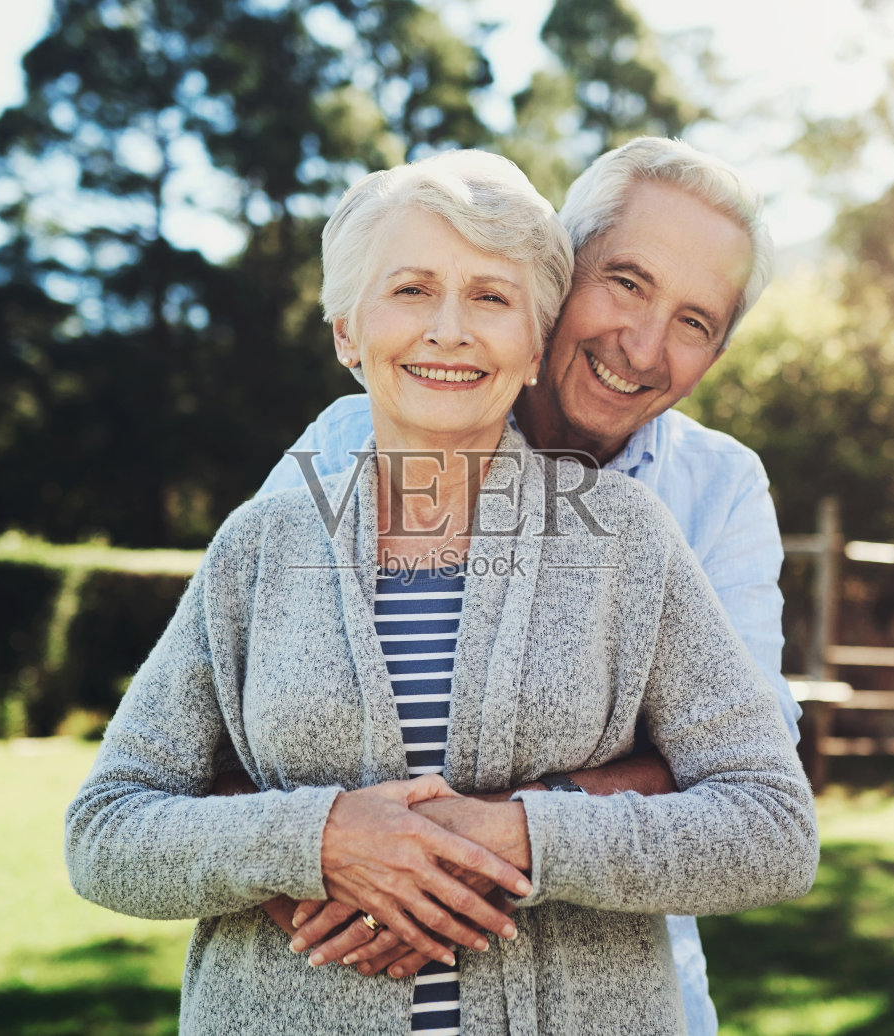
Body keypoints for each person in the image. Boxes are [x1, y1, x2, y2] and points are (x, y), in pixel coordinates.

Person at [65, 149, 817, 1035]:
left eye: (491, 297)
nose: (449, 331)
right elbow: (118, 819)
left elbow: (763, 808)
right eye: (412, 290)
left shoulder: (648, 528)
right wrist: (318, 848)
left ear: (532, 337)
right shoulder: (271, 532)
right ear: (346, 332)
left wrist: (504, 838)